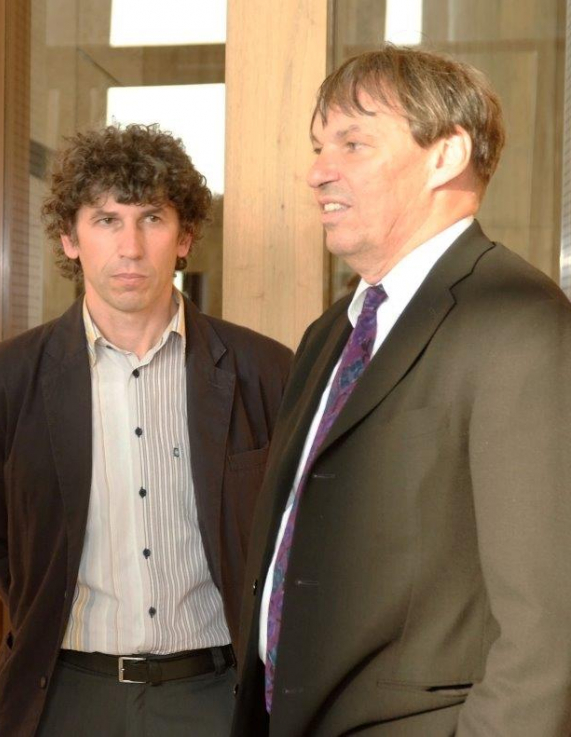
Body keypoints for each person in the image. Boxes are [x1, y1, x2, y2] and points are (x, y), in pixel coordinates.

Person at [232, 46, 571, 736]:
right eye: (318, 147)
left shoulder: (520, 322)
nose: (317, 171)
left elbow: (546, 632)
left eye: (352, 143)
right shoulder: (330, 332)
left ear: (446, 155)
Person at [0, 123, 293, 737]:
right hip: (65, 699)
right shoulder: (4, 379)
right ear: (70, 238)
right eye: (106, 220)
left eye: (152, 219)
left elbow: (290, 542)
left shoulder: (267, 371)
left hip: (219, 697)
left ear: (185, 236)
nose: (131, 248)